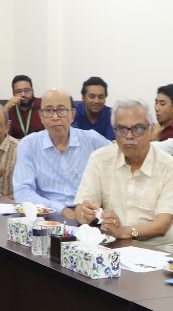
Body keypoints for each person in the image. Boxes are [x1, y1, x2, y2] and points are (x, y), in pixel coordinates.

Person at [73, 98, 173, 254]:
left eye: (137, 128)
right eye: (121, 129)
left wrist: (124, 232)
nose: (129, 136)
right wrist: (84, 213)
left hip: (160, 249)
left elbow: (162, 225)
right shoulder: (100, 159)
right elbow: (80, 210)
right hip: (113, 245)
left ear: (151, 130)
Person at [12, 87, 109, 221]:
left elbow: (118, 158)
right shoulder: (28, 145)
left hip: (89, 219)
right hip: (46, 220)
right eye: (48, 110)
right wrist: (63, 211)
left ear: (72, 114)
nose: (55, 117)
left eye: (62, 110)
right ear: (41, 116)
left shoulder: (93, 140)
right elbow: (22, 193)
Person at [73, 76, 114, 140]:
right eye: (92, 97)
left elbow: (111, 142)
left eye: (101, 97)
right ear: (83, 97)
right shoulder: (74, 113)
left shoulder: (111, 115)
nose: (96, 101)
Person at [7, 74, 43, 139]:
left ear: (32, 91)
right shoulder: (10, 108)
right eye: (18, 91)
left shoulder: (43, 105)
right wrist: (6, 107)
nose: (23, 94)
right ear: (13, 94)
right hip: (16, 144)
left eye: (26, 90)